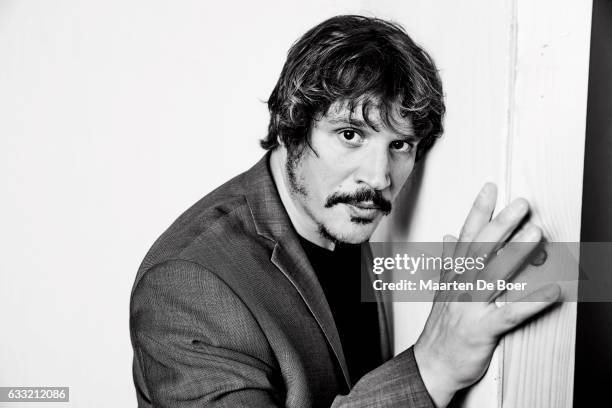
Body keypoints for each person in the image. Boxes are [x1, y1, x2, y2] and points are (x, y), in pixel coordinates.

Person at [129, 15, 560, 407]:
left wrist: (569, 267)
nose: (378, 177)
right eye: (350, 134)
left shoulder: (343, 217)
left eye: (400, 145)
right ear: (289, 128)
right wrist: (433, 365)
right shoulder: (188, 282)